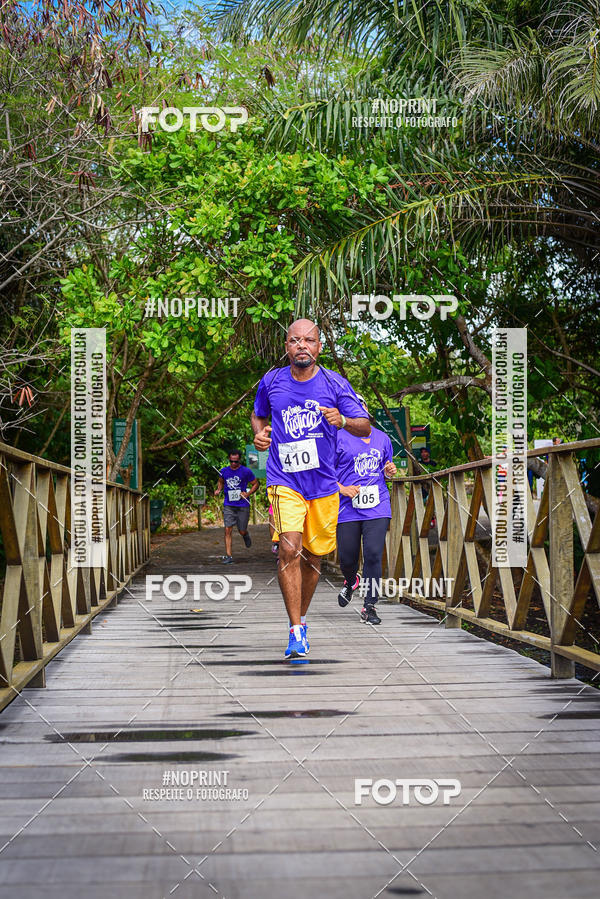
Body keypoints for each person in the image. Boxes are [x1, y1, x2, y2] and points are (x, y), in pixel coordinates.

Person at [252, 319, 371, 658]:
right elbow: (259, 414)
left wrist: (343, 420)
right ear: (286, 346)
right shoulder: (271, 381)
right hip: (283, 479)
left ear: (319, 347)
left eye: (309, 340)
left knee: (314, 556)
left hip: (323, 483)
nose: (302, 345)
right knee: (290, 548)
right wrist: (260, 435)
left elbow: (364, 426)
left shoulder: (335, 384)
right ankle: (293, 630)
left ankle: (301, 621)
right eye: (295, 340)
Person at [336, 395, 397, 624]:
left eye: (360, 405)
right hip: (347, 507)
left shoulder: (382, 438)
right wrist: (342, 488)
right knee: (347, 556)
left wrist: (389, 471)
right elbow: (323, 474)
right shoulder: (336, 438)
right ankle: (351, 581)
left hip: (377, 504)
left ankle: (369, 606)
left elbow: (386, 468)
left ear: (366, 409)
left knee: (373, 553)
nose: (356, 410)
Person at [214, 450, 259, 563]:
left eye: (236, 462)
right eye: (231, 461)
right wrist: (219, 489)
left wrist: (247, 494)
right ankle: (229, 556)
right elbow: (221, 481)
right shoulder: (224, 471)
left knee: (241, 530)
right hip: (229, 504)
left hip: (242, 505)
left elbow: (256, 484)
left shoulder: (246, 471)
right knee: (227, 529)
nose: (233, 464)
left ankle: (245, 534)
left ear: (240, 460)